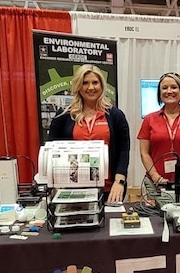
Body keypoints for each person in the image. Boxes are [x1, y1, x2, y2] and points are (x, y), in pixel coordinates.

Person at [48, 64, 129, 204]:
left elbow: (124, 150)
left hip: (109, 188)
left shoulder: (115, 115)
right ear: (78, 86)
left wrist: (119, 181)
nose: (91, 87)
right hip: (72, 188)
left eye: (95, 82)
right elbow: (52, 150)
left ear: (102, 85)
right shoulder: (63, 116)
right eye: (85, 83)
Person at [137, 72, 180, 200]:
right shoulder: (149, 119)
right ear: (159, 93)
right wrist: (155, 177)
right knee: (154, 219)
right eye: (164, 88)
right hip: (155, 186)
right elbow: (144, 153)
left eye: (174, 87)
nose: (169, 91)